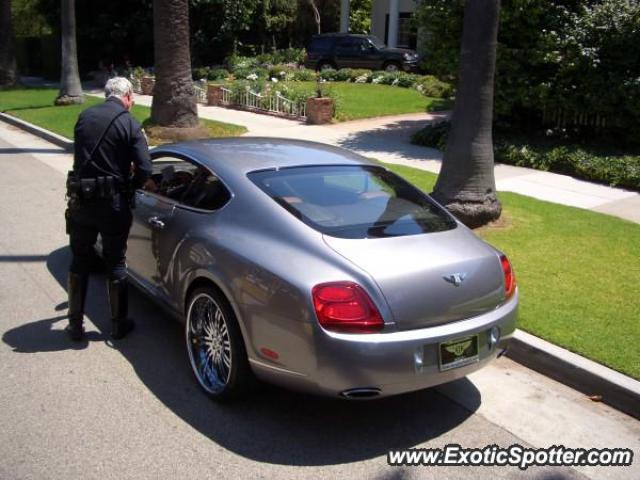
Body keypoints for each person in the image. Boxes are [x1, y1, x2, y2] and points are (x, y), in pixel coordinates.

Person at [66, 76, 152, 341]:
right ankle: (118, 324)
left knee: (80, 260)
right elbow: (146, 168)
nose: (133, 103)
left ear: (106, 94)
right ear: (126, 96)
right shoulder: (129, 123)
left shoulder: (85, 116)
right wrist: (131, 185)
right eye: (132, 99)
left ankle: (75, 326)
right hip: (113, 204)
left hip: (81, 200)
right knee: (115, 261)